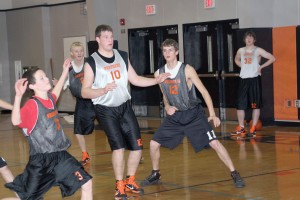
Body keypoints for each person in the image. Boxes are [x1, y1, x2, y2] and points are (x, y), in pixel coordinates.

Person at [140, 39, 245, 188]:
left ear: (176, 51)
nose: (167, 53)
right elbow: (165, 95)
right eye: (165, 50)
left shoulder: (187, 69)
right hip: (175, 117)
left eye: (170, 50)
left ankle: (234, 173)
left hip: (193, 114)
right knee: (153, 144)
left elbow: (203, 91)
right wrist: (167, 106)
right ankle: (156, 173)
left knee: (214, 142)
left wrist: (212, 114)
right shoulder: (159, 72)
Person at [81, 24, 170, 200]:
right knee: (119, 147)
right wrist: (102, 90)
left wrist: (156, 80)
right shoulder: (91, 62)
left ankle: (130, 180)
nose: (109, 40)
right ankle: (119, 185)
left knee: (137, 147)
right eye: (105, 37)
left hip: (124, 107)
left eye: (111, 36)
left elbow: (135, 79)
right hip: (106, 109)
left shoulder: (122, 56)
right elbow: (85, 91)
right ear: (97, 39)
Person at [7, 59, 93, 200]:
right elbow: (15, 121)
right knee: (26, 198)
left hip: (60, 157)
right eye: (42, 78)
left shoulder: (51, 99)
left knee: (86, 182)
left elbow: (57, 91)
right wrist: (18, 96)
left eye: (45, 76)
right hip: (41, 162)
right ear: (33, 85)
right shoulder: (32, 105)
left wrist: (65, 70)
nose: (47, 78)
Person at [232, 30, 275, 137]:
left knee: (255, 105)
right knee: (240, 105)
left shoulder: (258, 50)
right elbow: (236, 59)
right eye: (247, 37)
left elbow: (272, 58)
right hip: (243, 80)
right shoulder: (241, 50)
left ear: (254, 39)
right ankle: (241, 127)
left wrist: (260, 67)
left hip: (254, 79)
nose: (249, 39)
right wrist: (243, 66)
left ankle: (253, 127)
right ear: (244, 39)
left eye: (251, 37)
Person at [62, 41, 96, 165]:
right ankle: (85, 154)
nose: (79, 53)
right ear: (71, 53)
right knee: (77, 130)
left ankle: (128, 146)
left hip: (95, 99)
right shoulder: (69, 67)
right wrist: (58, 85)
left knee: (110, 126)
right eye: (76, 51)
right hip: (81, 101)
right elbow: (64, 84)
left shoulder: (90, 63)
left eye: (81, 51)